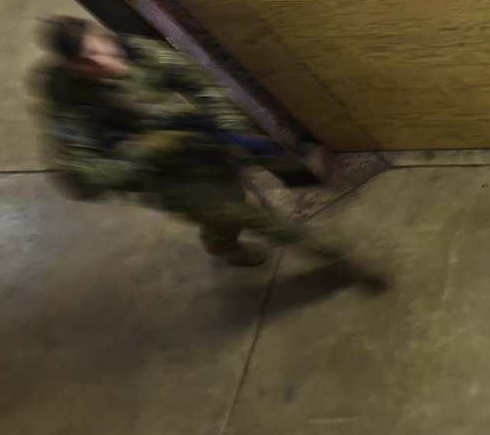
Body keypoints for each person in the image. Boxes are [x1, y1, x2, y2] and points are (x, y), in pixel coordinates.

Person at [31, 17, 384, 285]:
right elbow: (78, 178)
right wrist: (144, 151)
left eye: (104, 49)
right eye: (89, 60)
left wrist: (224, 123)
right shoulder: (66, 101)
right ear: (70, 65)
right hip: (163, 176)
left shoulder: (134, 51)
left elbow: (195, 81)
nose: (107, 63)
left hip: (199, 147)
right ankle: (338, 257)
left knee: (227, 206)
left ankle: (220, 242)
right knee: (241, 213)